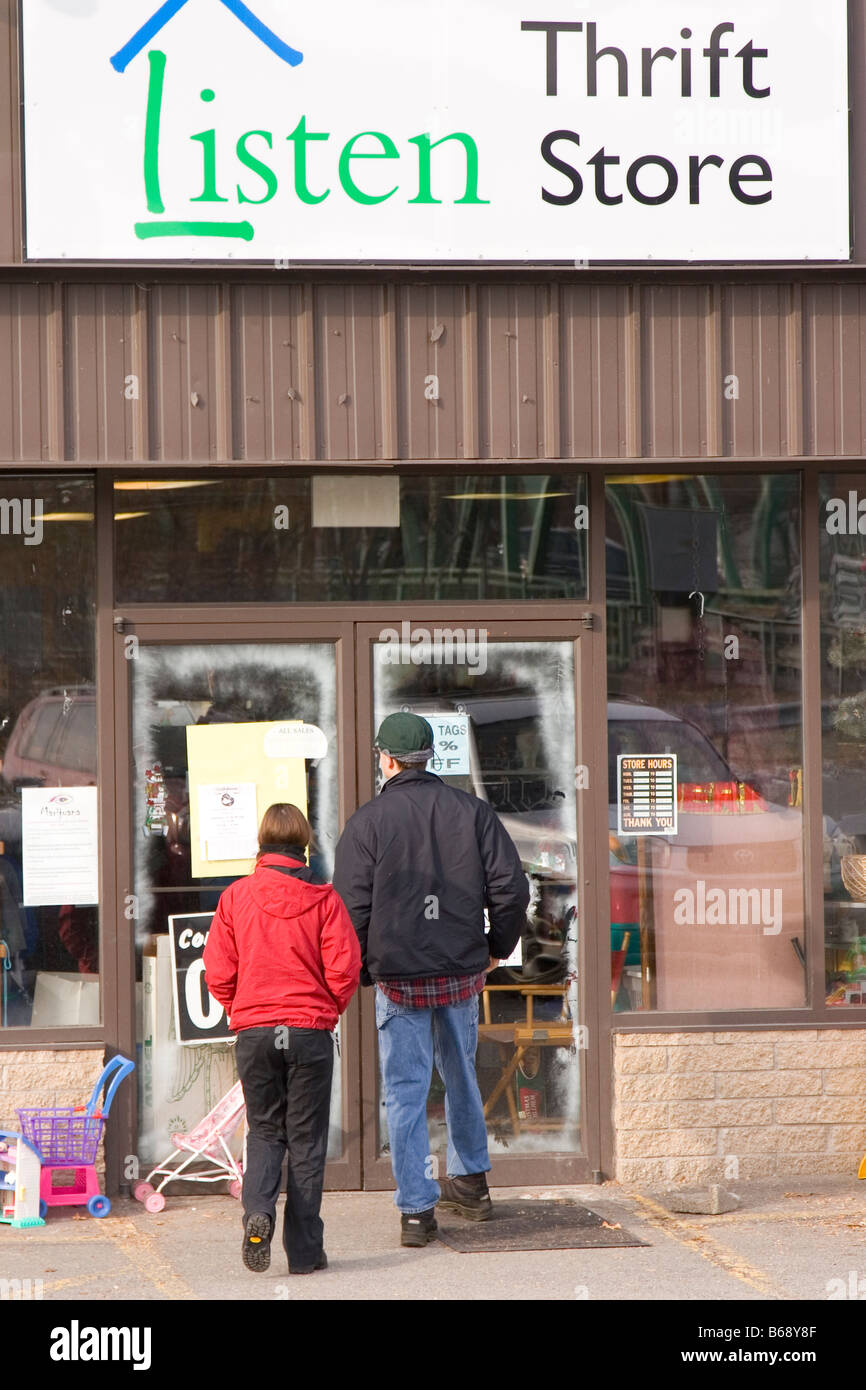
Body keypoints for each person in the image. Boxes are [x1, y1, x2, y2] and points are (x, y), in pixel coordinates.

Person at [333, 712, 528, 1246]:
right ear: (428, 757)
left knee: (405, 1090)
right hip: (461, 971)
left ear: (388, 760)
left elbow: (349, 910)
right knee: (461, 1076)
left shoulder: (368, 822)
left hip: (399, 979)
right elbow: (512, 891)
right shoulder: (473, 812)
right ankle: (471, 1184)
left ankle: (417, 1212)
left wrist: (366, 968)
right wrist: (495, 950)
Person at [203, 803, 360, 1275]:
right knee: (307, 1143)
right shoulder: (326, 899)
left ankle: (258, 1213)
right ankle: (306, 1254)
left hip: (254, 1033)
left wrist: (241, 1010)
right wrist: (327, 1010)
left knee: (266, 1132)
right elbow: (344, 968)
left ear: (261, 843)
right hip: (309, 1032)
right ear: (304, 845)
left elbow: (217, 970)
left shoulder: (235, 897)